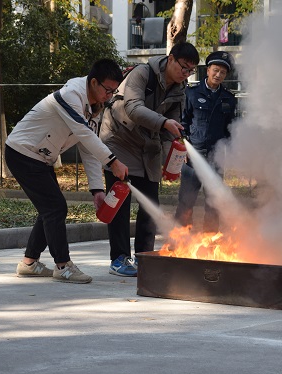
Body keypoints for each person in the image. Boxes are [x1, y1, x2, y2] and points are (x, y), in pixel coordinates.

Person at [5, 58, 129, 284]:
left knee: (49, 209)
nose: (110, 96)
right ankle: (63, 266)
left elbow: (88, 148)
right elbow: (85, 134)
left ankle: (29, 263)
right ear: (94, 82)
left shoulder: (95, 107)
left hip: (41, 157)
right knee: (55, 207)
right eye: (107, 90)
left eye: (114, 91)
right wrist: (113, 162)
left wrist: (97, 190)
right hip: (23, 152)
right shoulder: (71, 95)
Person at [99, 42, 200, 277]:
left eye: (191, 70)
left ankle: (144, 256)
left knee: (151, 202)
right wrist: (164, 123)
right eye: (184, 67)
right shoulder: (142, 73)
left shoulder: (179, 89)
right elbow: (133, 108)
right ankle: (119, 259)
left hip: (147, 145)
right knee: (120, 201)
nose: (186, 74)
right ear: (171, 59)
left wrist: (173, 157)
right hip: (119, 140)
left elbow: (170, 129)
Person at [174, 51, 238, 233]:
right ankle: (180, 238)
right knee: (186, 200)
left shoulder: (229, 99)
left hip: (216, 157)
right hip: (192, 156)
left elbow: (230, 129)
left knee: (214, 202)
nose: (218, 75)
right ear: (208, 70)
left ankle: (210, 239)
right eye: (215, 70)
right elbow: (182, 122)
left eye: (223, 72)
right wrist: (183, 148)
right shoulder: (191, 93)